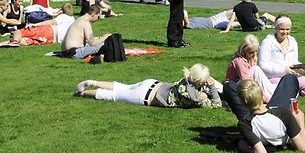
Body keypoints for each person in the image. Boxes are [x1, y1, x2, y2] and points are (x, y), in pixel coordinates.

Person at [75, 63, 224, 109]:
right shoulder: (195, 96)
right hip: (145, 97)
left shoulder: (186, 80)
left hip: (152, 83)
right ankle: (82, 94)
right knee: (114, 95)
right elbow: (216, 104)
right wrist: (211, 89)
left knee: (122, 86)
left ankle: (93, 82)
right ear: (199, 81)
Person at [235, 77, 305, 153]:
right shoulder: (284, 113)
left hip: (265, 120)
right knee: (289, 78)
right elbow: (302, 147)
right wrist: (301, 120)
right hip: (277, 117)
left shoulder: (245, 124)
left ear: (243, 103)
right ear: (262, 95)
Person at [258, 16, 305, 96]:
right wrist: (283, 70)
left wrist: (298, 66)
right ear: (276, 28)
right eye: (282, 29)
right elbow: (263, 65)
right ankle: (291, 91)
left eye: (287, 29)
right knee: (286, 92)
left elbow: (294, 60)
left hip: (291, 75)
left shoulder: (292, 41)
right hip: (273, 77)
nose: (285, 32)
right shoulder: (267, 42)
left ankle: (294, 90)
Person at [0, 3, 75, 47]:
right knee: (23, 40)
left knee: (17, 32)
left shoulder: (64, 16)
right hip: (52, 40)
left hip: (49, 31)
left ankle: (14, 42)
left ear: (63, 10)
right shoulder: (73, 20)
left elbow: (51, 22)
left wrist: (36, 24)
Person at [222, 35, 277, 109]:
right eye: (251, 52)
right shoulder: (239, 61)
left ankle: (273, 95)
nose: (254, 54)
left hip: (246, 82)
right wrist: (264, 98)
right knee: (256, 70)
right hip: (236, 86)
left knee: (263, 77)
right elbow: (247, 83)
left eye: (256, 51)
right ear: (244, 50)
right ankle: (269, 98)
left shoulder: (252, 57)